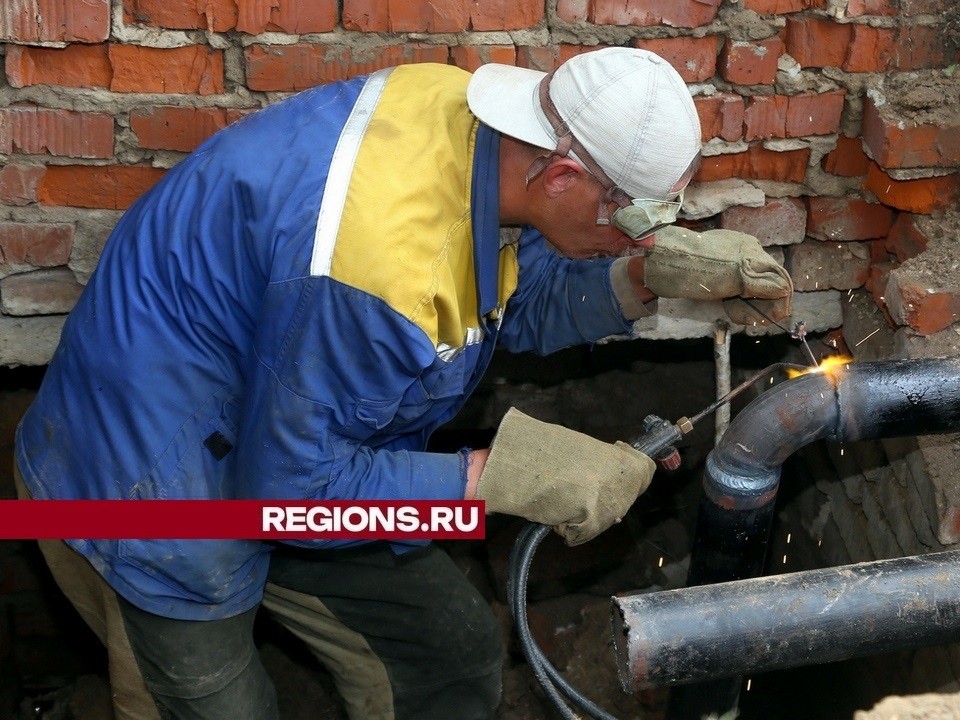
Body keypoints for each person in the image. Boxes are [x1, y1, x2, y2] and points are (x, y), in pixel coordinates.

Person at [14, 47, 792, 720]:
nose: (648, 231)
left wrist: (640, 277)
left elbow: (487, 304)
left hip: (299, 435)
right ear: (561, 174)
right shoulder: (380, 271)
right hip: (150, 477)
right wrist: (503, 476)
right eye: (636, 218)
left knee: (449, 653)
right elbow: (288, 498)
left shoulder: (476, 130)